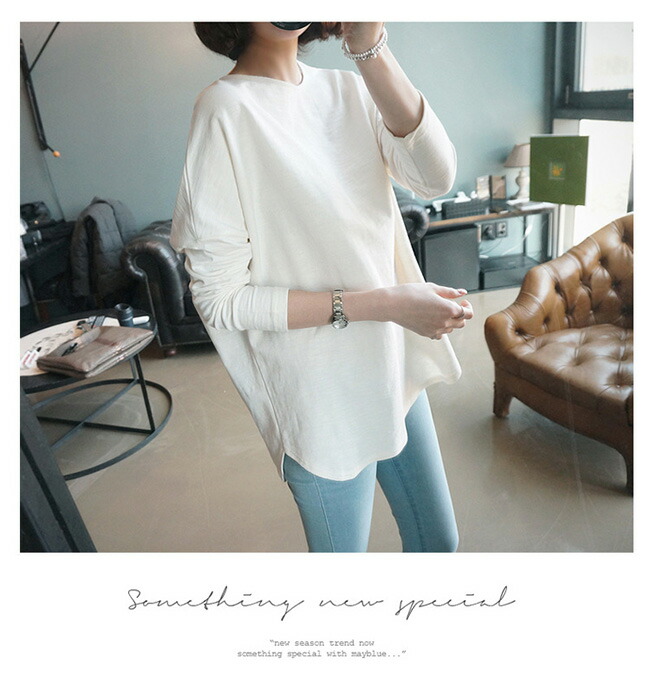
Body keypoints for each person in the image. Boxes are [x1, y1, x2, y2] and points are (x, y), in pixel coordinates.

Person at [170, 22, 474, 553]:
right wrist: (388, 303)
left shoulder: (350, 87)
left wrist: (368, 45)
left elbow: (435, 177)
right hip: (318, 395)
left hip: (391, 365)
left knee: (438, 542)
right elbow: (221, 299)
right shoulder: (225, 108)